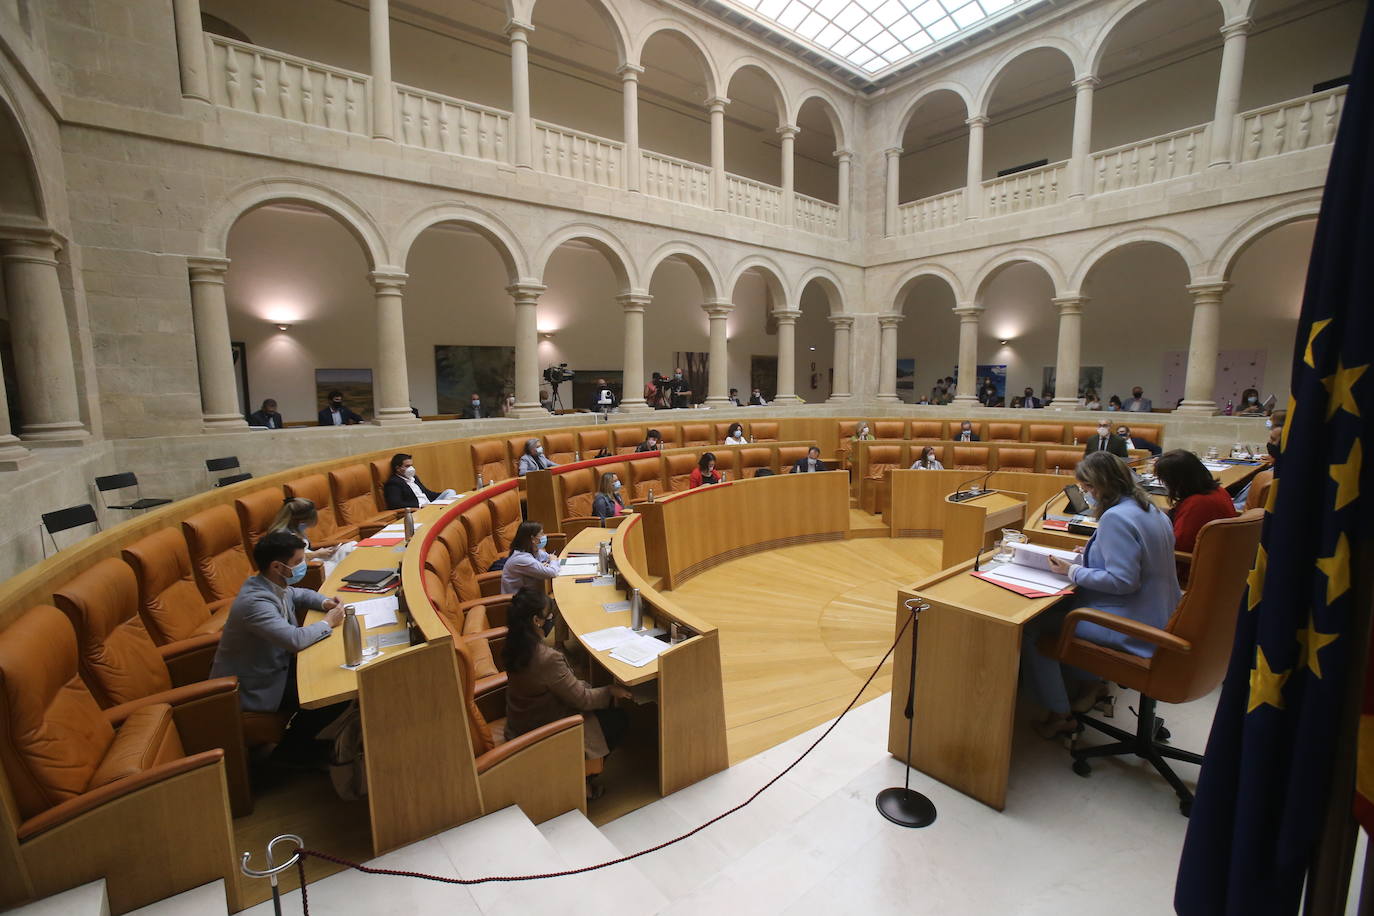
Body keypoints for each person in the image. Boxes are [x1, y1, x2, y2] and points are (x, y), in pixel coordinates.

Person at [1022, 452, 1181, 739]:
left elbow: (1122, 581)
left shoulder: (1116, 518)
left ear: (1105, 485)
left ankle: (1060, 714)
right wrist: (1090, 556)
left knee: (1034, 629)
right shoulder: (1151, 509)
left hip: (1131, 624)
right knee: (1064, 610)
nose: (1087, 495)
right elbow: (1140, 562)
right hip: (1160, 614)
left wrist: (1072, 572)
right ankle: (1089, 685)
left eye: (1089, 489)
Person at [209, 530, 347, 767]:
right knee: (330, 695)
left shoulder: (271, 583)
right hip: (256, 684)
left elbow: (297, 594)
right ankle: (285, 761)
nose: (304, 565)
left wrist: (324, 603)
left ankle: (305, 744)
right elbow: (293, 639)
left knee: (334, 674)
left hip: (277, 666)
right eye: (297, 562)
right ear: (277, 566)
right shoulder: (256, 603)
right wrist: (328, 622)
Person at [502, 587, 631, 799]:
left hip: (522, 720)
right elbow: (583, 700)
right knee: (619, 719)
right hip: (548, 727)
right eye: (548, 615)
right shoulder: (547, 658)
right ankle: (582, 782)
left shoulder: (513, 644)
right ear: (536, 620)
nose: (551, 618)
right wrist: (610, 690)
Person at [1154, 449, 1237, 553]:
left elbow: (1179, 545)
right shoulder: (1218, 490)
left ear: (1177, 481)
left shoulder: (1197, 504)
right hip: (1218, 556)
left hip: (1190, 563)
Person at [266, 497, 353, 577]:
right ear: (298, 520)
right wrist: (316, 554)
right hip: (309, 567)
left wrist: (323, 552)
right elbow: (290, 562)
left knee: (352, 546)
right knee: (342, 570)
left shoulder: (295, 528)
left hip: (316, 558)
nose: (306, 525)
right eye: (306, 522)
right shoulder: (280, 536)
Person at [501, 521, 560, 594]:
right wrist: (552, 561)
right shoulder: (521, 559)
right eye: (541, 534)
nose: (544, 536)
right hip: (519, 601)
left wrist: (545, 564)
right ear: (532, 539)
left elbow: (547, 557)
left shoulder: (534, 550)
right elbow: (552, 572)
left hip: (530, 595)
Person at [383, 453, 456, 509]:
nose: (411, 468)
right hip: (420, 508)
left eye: (411, 465)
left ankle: (443, 511)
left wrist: (444, 496)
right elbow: (395, 504)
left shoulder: (414, 477)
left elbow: (427, 493)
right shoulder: (393, 483)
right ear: (398, 468)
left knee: (450, 492)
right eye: (407, 466)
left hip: (430, 504)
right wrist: (420, 505)